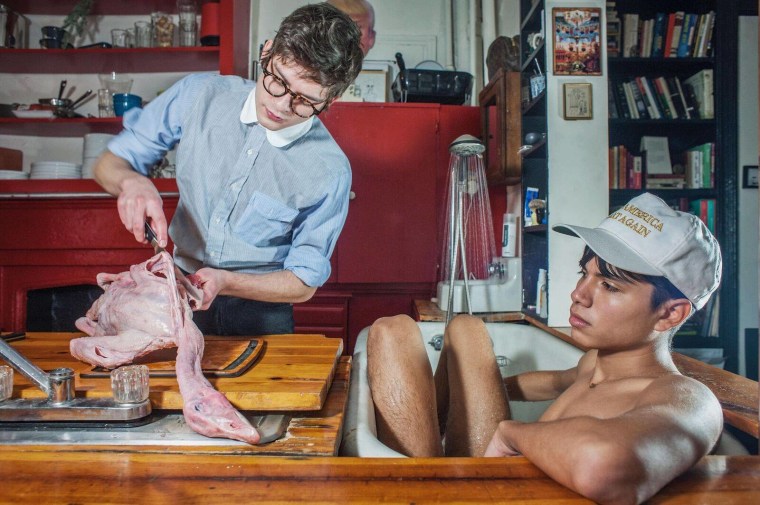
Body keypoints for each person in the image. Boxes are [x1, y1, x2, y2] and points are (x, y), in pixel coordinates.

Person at [367, 193, 723, 504]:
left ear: (670, 313)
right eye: (584, 274)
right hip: (484, 483)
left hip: (488, 496)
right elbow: (547, 383)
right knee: (423, 328)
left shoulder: (687, 399)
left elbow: (604, 465)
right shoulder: (592, 365)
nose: (578, 294)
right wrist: (459, 390)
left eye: (610, 287)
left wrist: (512, 434)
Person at [93, 3, 364, 336]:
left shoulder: (329, 171)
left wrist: (225, 282)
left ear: (331, 100)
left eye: (305, 101)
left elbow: (303, 282)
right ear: (267, 52)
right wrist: (131, 181)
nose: (280, 105)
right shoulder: (199, 95)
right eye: (277, 80)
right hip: (175, 295)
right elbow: (109, 164)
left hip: (263, 313)